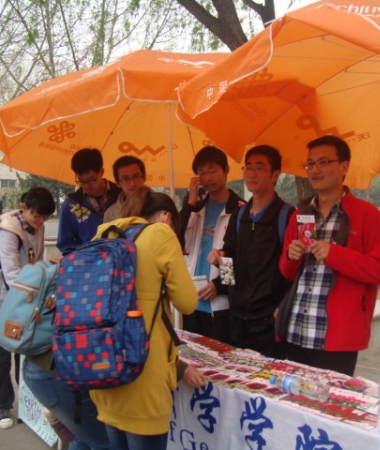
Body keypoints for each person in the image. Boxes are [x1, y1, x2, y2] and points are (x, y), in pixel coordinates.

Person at [91, 186, 200, 450]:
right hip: (144, 376)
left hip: (104, 370)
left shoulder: (103, 234)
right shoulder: (160, 234)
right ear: (167, 217)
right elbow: (187, 303)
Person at [278, 135, 380, 376]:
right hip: (296, 330)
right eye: (310, 164)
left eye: (323, 162)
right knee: (293, 398)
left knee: (329, 400)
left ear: (344, 166)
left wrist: (335, 254)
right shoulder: (300, 214)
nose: (315, 170)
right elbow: (287, 273)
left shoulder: (367, 215)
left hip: (336, 339)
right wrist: (291, 256)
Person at [208, 145, 294, 358]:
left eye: (259, 168)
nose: (251, 174)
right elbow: (228, 269)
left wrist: (281, 308)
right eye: (248, 167)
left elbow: (295, 270)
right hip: (236, 318)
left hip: (269, 321)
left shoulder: (287, 216)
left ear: (275, 174)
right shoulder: (239, 216)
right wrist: (219, 259)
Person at [0, 187, 55, 429]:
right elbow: (12, 275)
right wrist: (36, 294)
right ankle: (2, 404)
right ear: (25, 208)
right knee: (2, 349)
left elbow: (36, 262)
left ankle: (27, 403)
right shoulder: (8, 232)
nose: (40, 221)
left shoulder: (38, 227)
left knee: (25, 347)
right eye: (37, 216)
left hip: (24, 298)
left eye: (45, 217)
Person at [180, 146, 245, 343]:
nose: (207, 178)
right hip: (192, 301)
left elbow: (240, 257)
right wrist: (190, 204)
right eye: (202, 173)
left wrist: (220, 285)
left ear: (226, 171)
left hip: (220, 306)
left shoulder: (239, 210)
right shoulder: (196, 209)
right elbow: (178, 241)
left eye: (212, 171)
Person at [57, 148, 120, 254]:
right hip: (86, 260)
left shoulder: (121, 197)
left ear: (101, 172)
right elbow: (65, 244)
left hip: (120, 258)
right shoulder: (70, 206)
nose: (86, 186)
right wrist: (84, 253)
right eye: (81, 181)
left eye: (91, 180)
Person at [103, 155, 146, 223]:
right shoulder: (111, 214)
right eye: (126, 179)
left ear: (144, 177)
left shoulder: (159, 205)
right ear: (118, 183)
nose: (132, 183)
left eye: (136, 176)